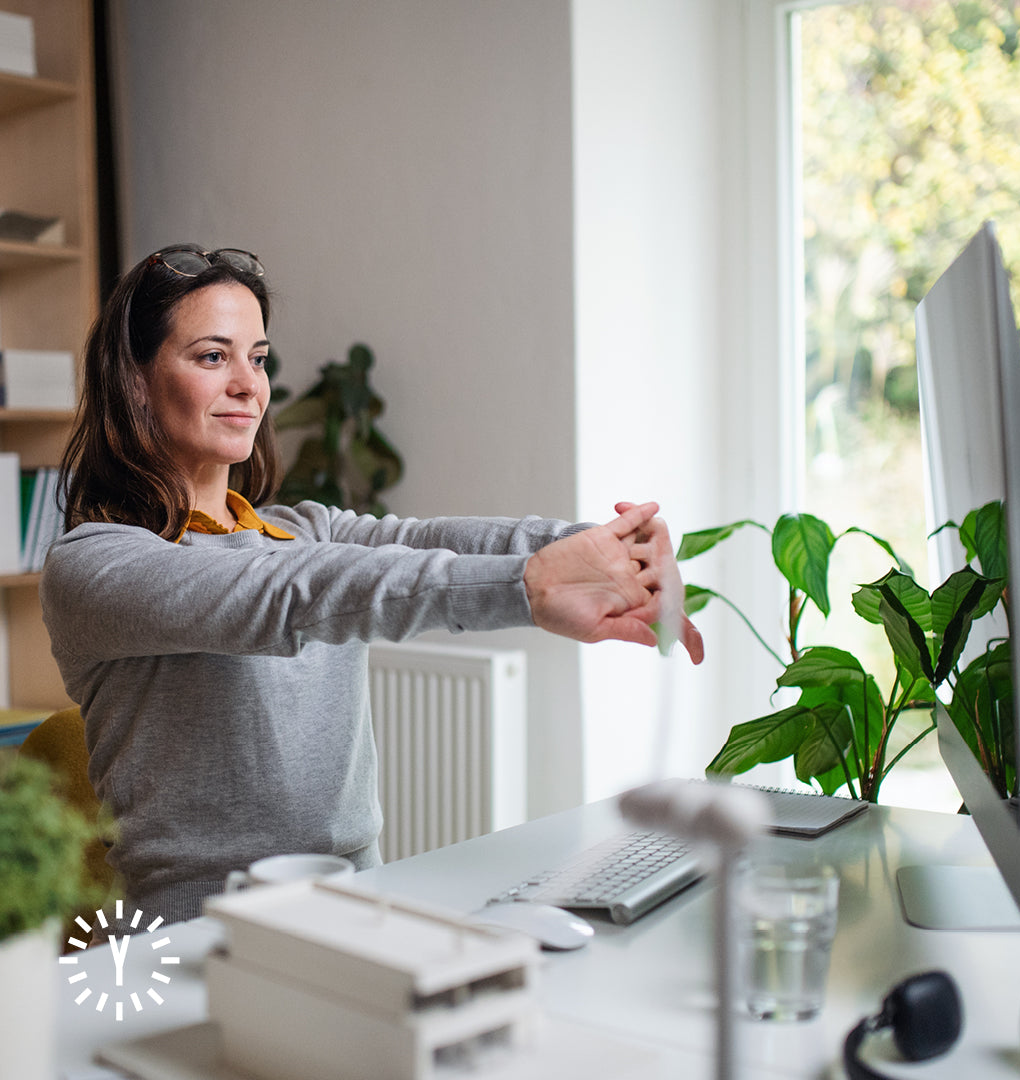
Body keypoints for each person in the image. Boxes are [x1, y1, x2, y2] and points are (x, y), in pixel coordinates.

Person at [40, 244, 703, 925]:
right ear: (138, 381)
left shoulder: (303, 529)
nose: (250, 385)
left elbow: (424, 542)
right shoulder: (96, 565)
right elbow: (289, 592)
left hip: (356, 903)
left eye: (259, 357)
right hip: (191, 934)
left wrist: (600, 546)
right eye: (213, 357)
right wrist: (527, 585)